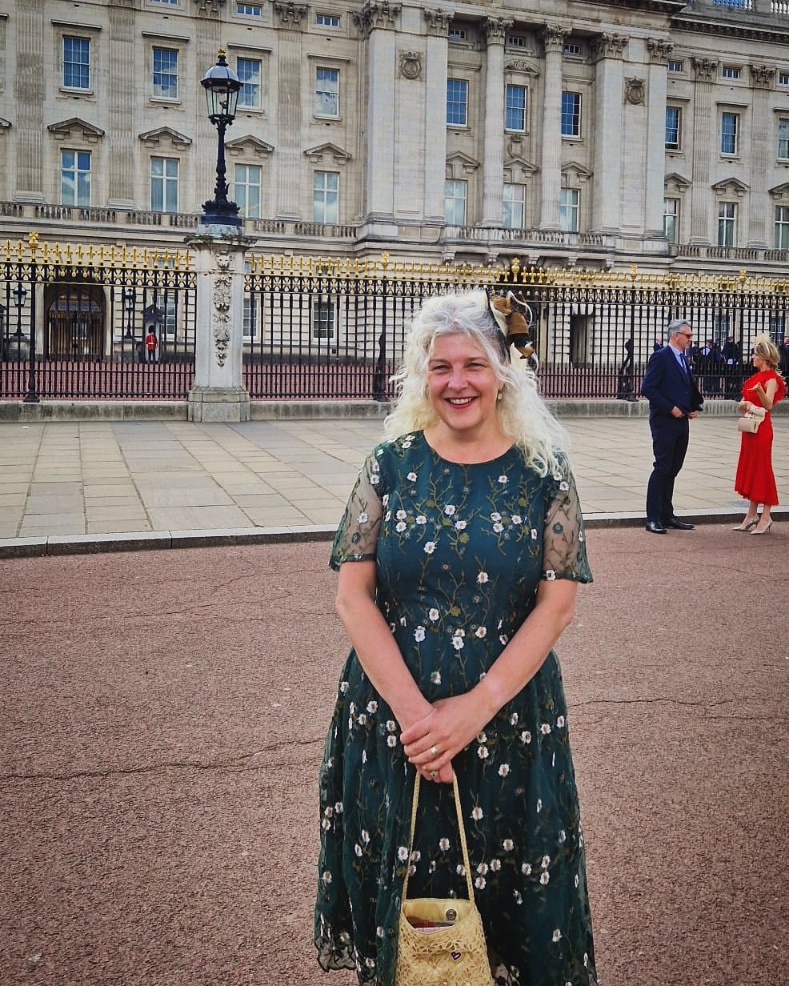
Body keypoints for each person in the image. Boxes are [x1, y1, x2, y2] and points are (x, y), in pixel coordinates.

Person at [315, 289, 598, 986]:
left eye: (472, 364)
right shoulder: (390, 463)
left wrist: (473, 708)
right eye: (440, 366)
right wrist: (421, 721)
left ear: (502, 372)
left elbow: (555, 606)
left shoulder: (545, 473)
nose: (456, 382)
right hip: (392, 718)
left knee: (508, 902)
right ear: (422, 374)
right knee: (409, 909)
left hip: (508, 722)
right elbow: (352, 598)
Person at [640, 318, 704, 534]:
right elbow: (648, 388)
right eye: (688, 336)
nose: (690, 340)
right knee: (662, 467)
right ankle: (653, 517)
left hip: (681, 420)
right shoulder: (661, 357)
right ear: (676, 335)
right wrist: (670, 408)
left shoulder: (683, 359)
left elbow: (685, 387)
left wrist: (693, 406)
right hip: (664, 421)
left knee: (674, 468)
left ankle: (667, 514)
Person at [732, 333, 786, 534]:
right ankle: (751, 514)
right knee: (752, 468)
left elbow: (768, 404)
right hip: (750, 427)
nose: (752, 357)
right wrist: (745, 404)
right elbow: (746, 402)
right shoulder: (755, 378)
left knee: (762, 469)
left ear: (764, 357)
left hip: (762, 429)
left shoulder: (770, 379)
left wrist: (757, 394)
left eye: (755, 354)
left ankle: (766, 515)